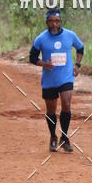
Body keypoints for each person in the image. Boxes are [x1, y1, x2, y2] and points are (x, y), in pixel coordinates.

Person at [29, 10, 84, 152]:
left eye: (57, 21)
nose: (54, 24)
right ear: (47, 22)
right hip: (49, 80)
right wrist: (43, 64)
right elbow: (32, 57)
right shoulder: (41, 39)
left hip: (66, 77)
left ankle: (64, 137)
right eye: (51, 21)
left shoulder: (70, 35)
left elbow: (80, 48)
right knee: (51, 111)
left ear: (61, 22)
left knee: (66, 104)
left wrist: (77, 65)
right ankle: (53, 136)